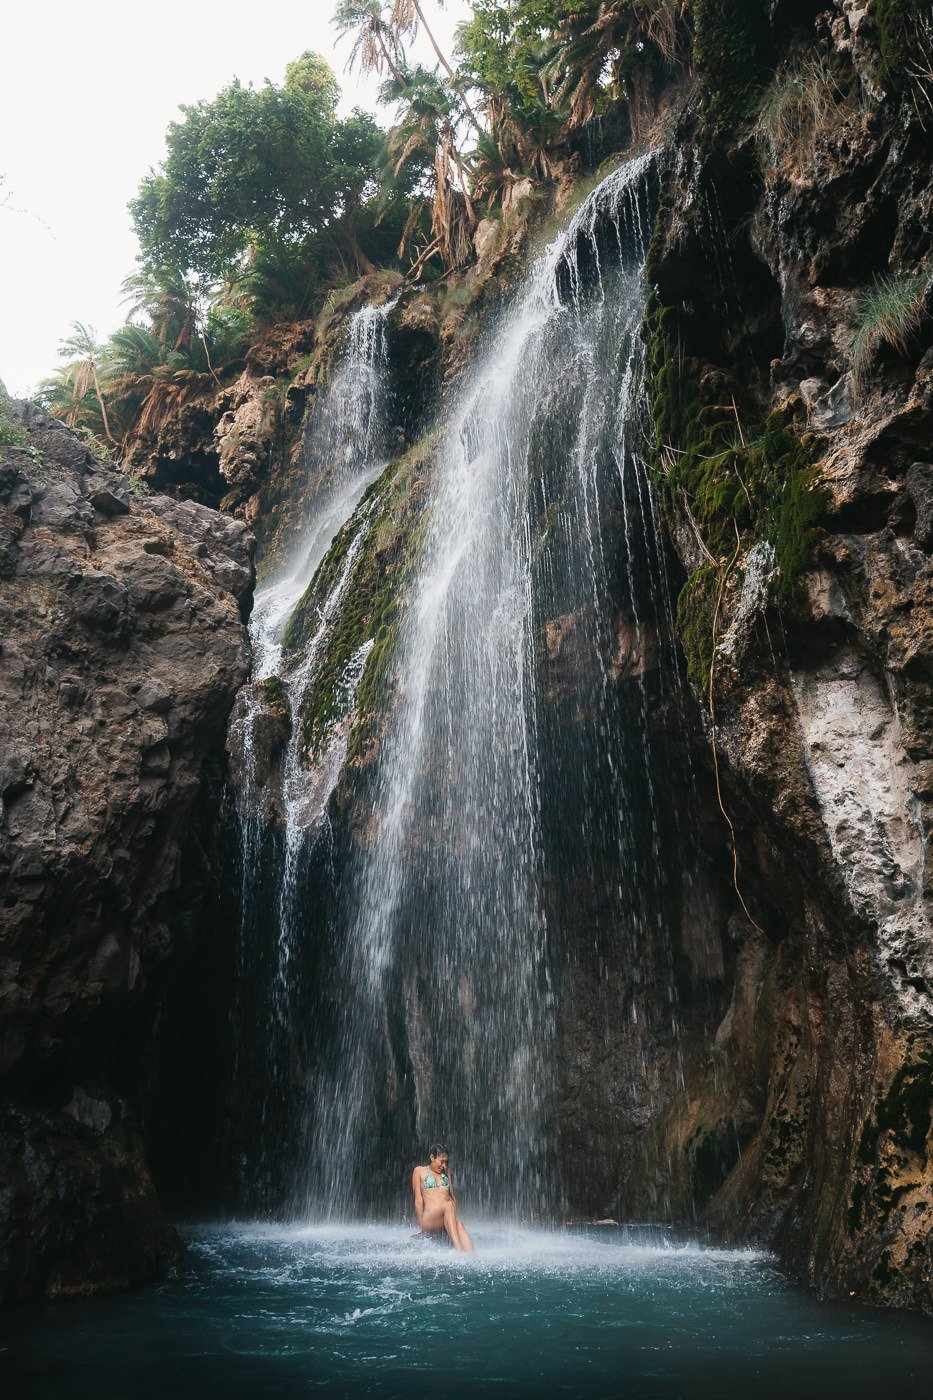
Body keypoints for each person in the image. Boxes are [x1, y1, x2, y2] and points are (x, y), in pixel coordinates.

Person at [411, 1142, 474, 1252]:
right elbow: (418, 1200)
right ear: (432, 1157)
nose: (444, 1165)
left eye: (446, 1162)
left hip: (444, 1218)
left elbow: (451, 1196)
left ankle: (472, 1258)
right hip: (428, 1220)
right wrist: (421, 1225)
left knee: (459, 1224)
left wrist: (451, 1222)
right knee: (448, 1205)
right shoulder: (419, 1171)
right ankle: (458, 1250)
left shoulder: (446, 1172)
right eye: (442, 1161)